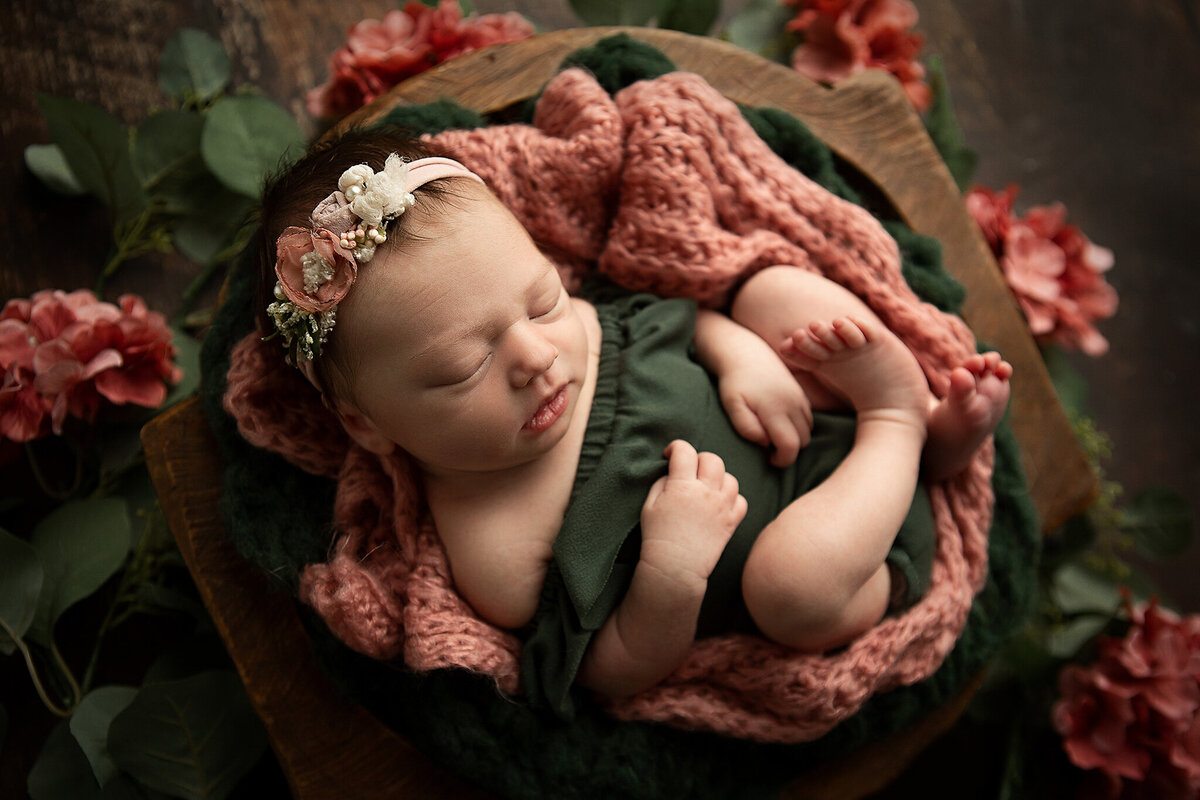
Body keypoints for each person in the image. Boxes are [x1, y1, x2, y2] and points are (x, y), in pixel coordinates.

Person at [257, 130, 1012, 707]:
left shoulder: (575, 329)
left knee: (768, 290)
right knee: (791, 588)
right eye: (464, 368)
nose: (535, 354)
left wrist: (736, 349)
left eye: (542, 298)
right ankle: (897, 424)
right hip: (845, 550)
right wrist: (670, 574)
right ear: (368, 425)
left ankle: (933, 439)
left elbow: (668, 320)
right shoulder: (494, 553)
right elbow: (606, 674)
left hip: (807, 416)